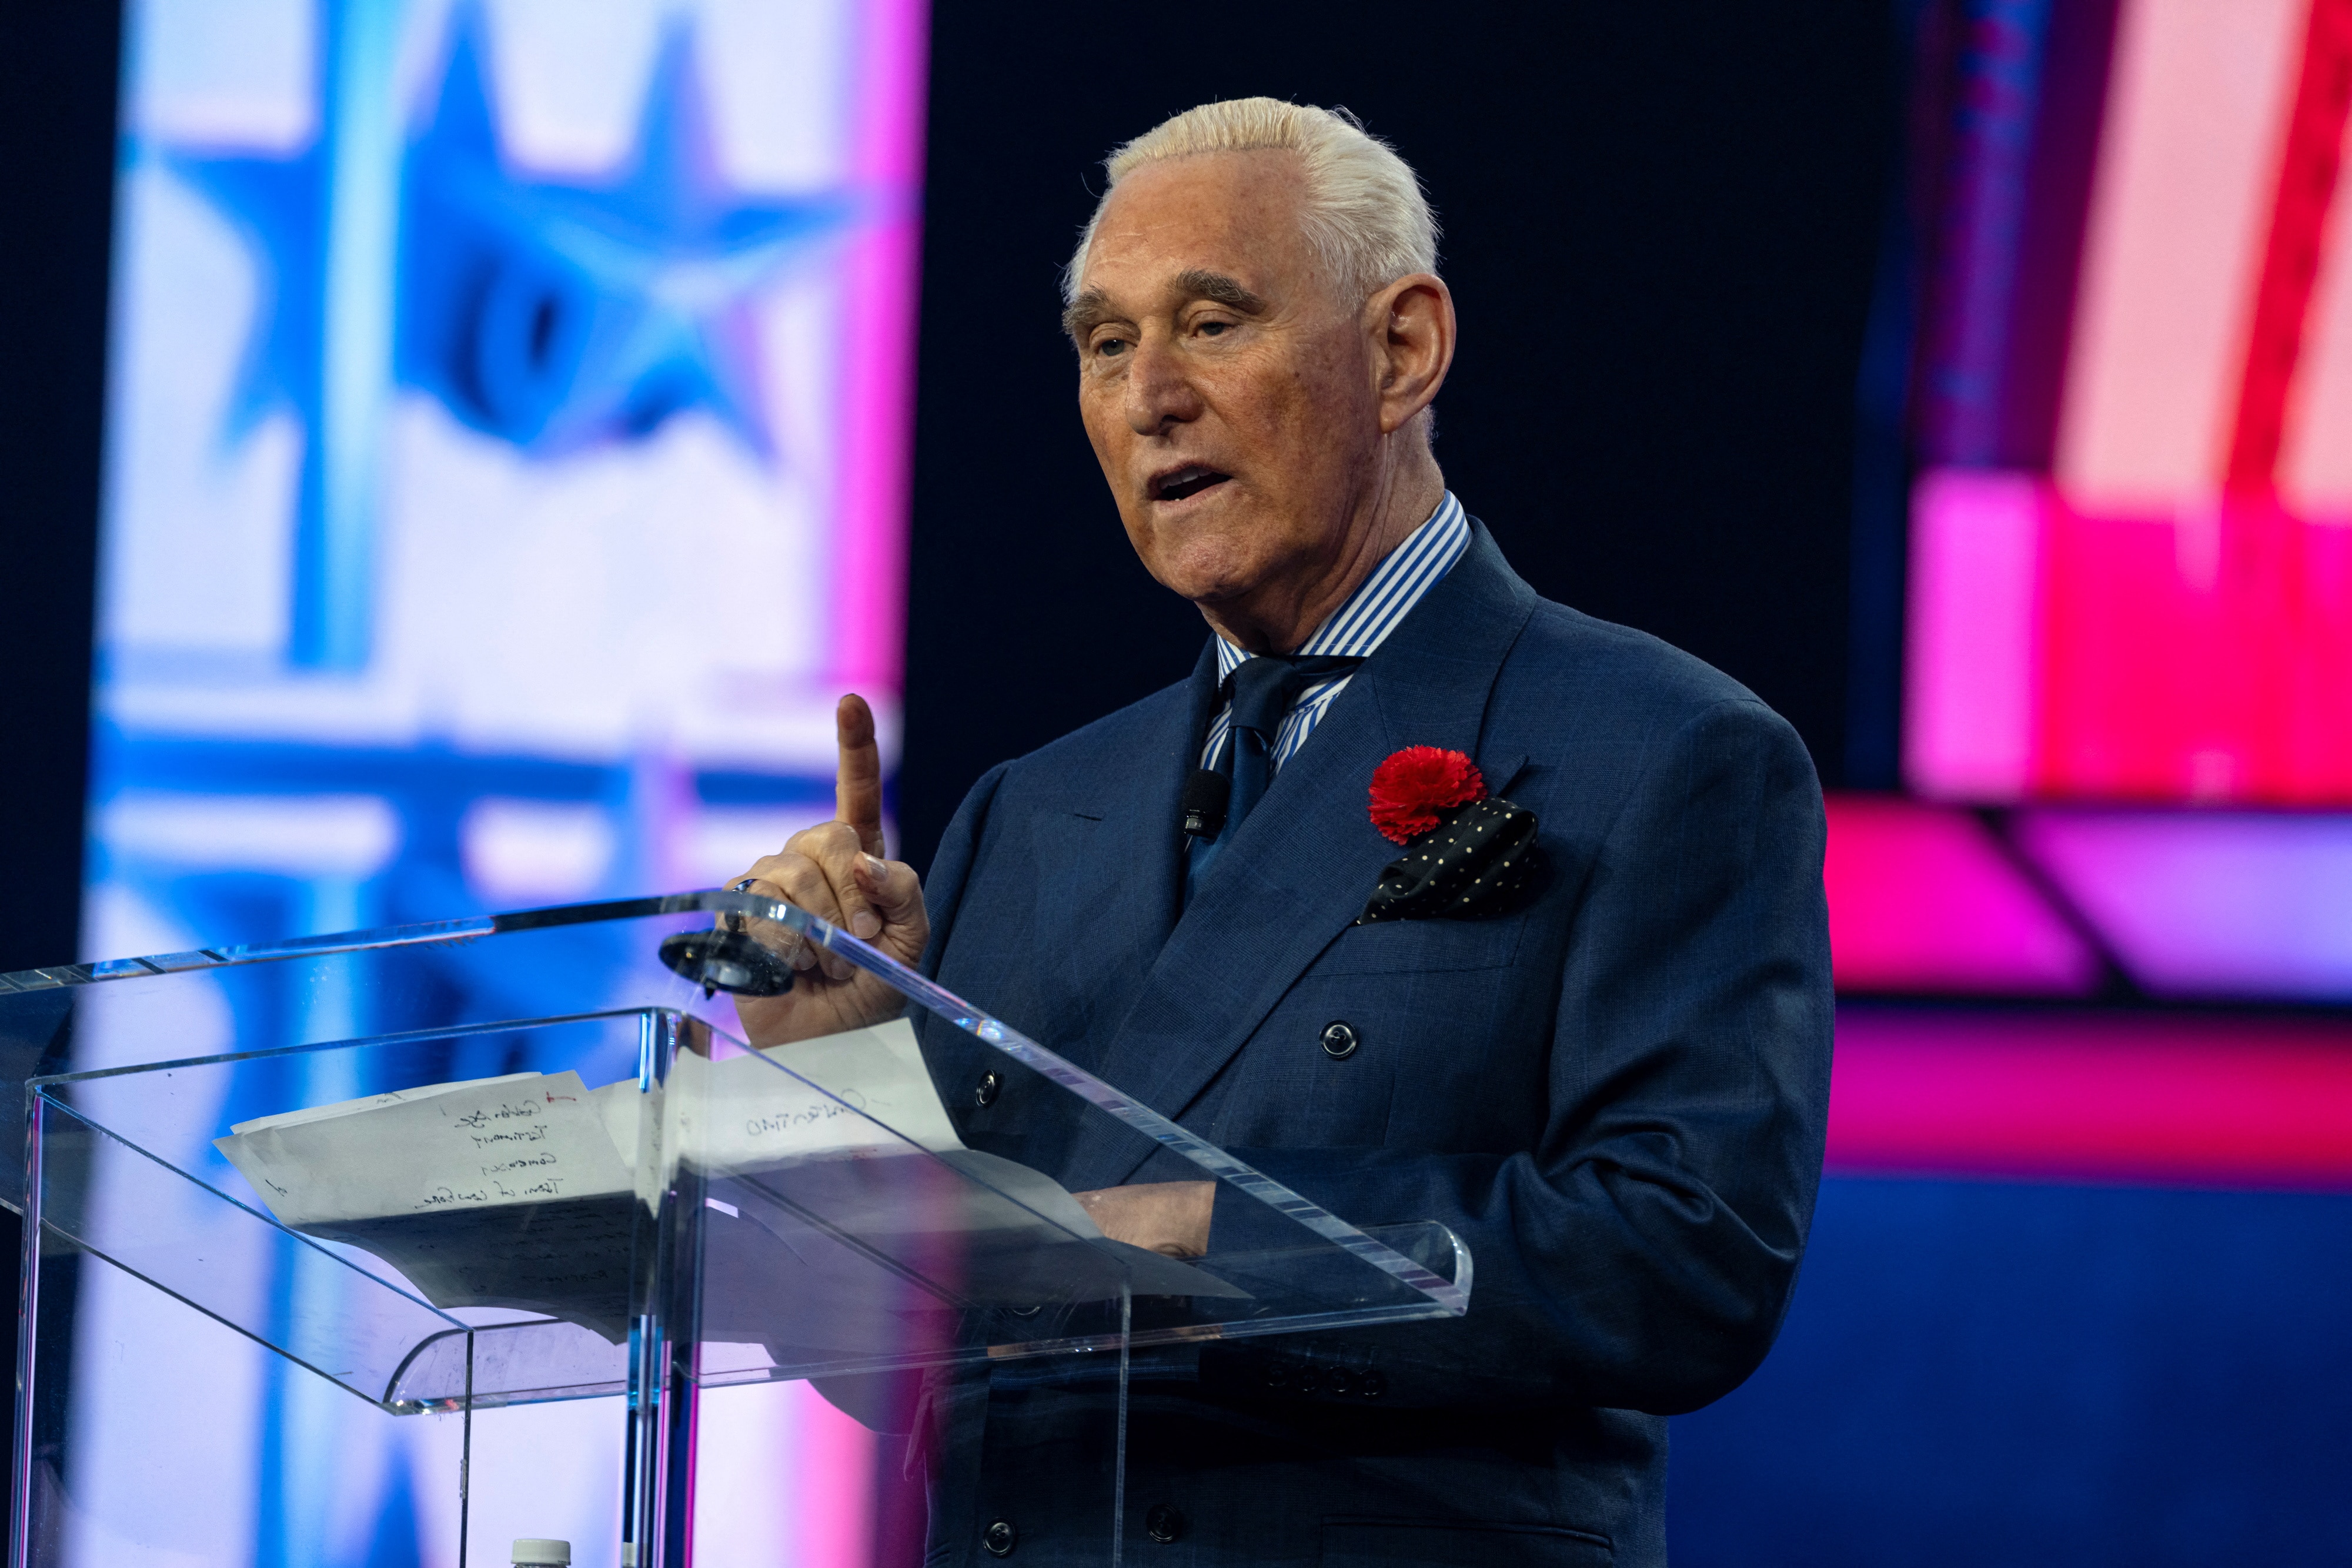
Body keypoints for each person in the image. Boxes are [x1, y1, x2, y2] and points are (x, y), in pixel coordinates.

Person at [730, 98, 1832, 1568]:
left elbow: (1678, 1264)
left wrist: (1199, 1233)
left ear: (1401, 349)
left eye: (1211, 320)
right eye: (1103, 343)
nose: (1147, 397)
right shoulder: (1031, 809)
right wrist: (837, 1081)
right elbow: (925, 1369)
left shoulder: (1666, 753)